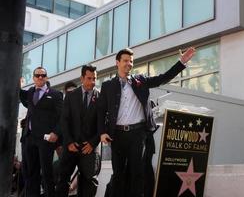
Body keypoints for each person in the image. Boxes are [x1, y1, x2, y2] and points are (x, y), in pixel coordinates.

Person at [98, 47, 195, 197]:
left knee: (137, 173)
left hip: (137, 134)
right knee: (118, 174)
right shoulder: (107, 86)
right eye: (125, 61)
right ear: (117, 62)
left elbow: (163, 78)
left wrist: (181, 62)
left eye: (131, 61)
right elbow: (101, 110)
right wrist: (102, 132)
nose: (129, 64)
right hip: (117, 135)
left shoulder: (140, 81)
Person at [56, 65, 101, 197]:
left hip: (89, 149)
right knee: (63, 181)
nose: (92, 82)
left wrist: (93, 143)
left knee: (90, 182)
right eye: (89, 78)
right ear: (82, 78)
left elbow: (103, 124)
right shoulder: (70, 96)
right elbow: (64, 121)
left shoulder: (101, 97)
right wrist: (69, 142)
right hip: (71, 147)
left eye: (94, 79)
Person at [19, 66, 63, 197]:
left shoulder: (55, 94)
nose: (40, 77)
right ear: (33, 78)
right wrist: (19, 86)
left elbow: (62, 116)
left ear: (46, 78)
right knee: (31, 175)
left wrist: (56, 133)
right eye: (37, 75)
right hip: (30, 138)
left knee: (47, 174)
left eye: (43, 75)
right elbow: (23, 98)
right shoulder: (31, 92)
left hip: (45, 140)